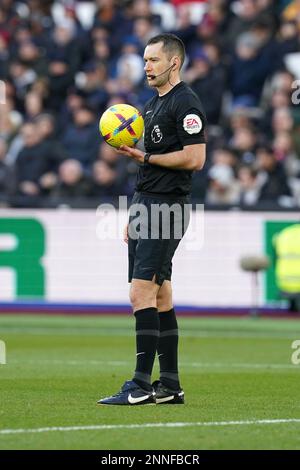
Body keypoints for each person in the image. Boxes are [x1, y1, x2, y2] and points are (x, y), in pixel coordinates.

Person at [98, 33, 206, 406]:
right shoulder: (149, 106)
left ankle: (140, 385)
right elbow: (148, 167)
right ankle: (170, 384)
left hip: (168, 208)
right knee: (160, 293)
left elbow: (195, 159)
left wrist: (146, 158)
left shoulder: (186, 103)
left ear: (173, 63)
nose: (146, 66)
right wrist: (134, 212)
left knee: (139, 291)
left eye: (154, 60)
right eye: (145, 60)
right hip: (146, 205)